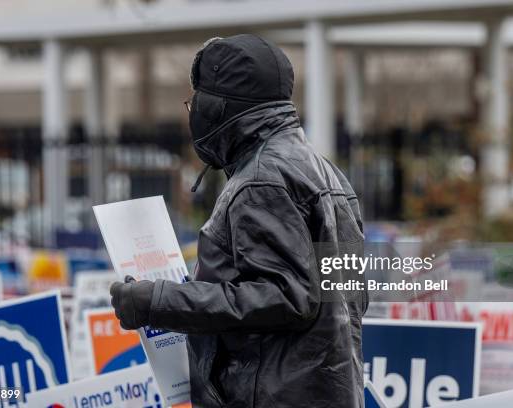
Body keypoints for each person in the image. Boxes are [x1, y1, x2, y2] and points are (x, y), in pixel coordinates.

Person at [110, 34, 367, 408]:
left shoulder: (261, 179)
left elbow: (285, 297)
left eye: (194, 102)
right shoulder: (323, 171)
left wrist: (158, 300)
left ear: (216, 109)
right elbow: (348, 296)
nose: (192, 114)